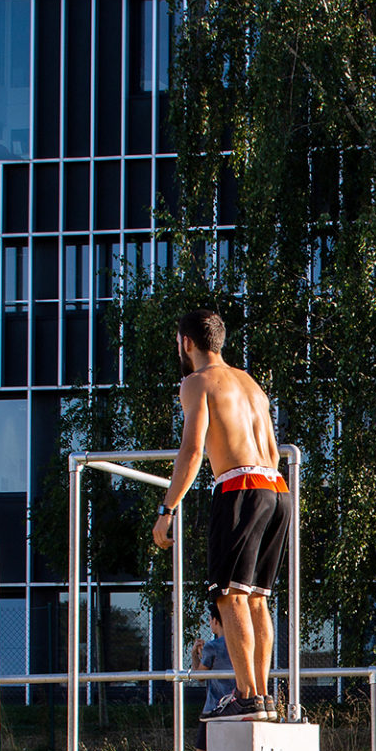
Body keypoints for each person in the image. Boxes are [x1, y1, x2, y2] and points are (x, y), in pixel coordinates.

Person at [152, 308, 288, 722]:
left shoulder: (196, 383)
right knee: (258, 599)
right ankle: (262, 696)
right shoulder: (250, 383)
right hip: (277, 489)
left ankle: (247, 695)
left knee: (229, 596)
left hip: (239, 487)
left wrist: (167, 508)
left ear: (186, 343)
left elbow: (192, 451)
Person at [168, 603, 238, 751]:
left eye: (210, 620)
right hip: (237, 707)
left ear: (216, 621)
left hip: (214, 710)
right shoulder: (240, 644)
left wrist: (196, 655)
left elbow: (200, 677)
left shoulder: (213, 647)